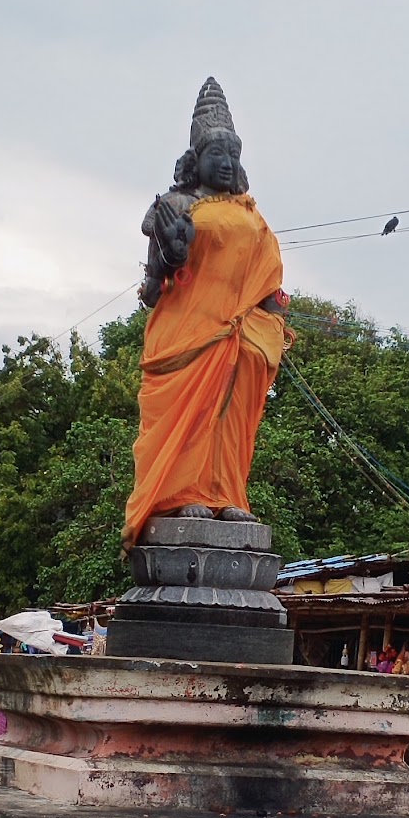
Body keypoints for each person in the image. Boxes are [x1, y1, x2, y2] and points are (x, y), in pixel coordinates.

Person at [123, 78, 289, 548]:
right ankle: (179, 493)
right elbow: (155, 287)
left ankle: (225, 493)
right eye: (217, 153)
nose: (226, 163)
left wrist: (271, 324)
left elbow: (269, 283)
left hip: (241, 340)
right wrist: (171, 255)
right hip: (186, 335)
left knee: (230, 419)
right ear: (196, 160)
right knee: (189, 418)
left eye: (233, 155)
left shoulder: (252, 217)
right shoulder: (175, 205)